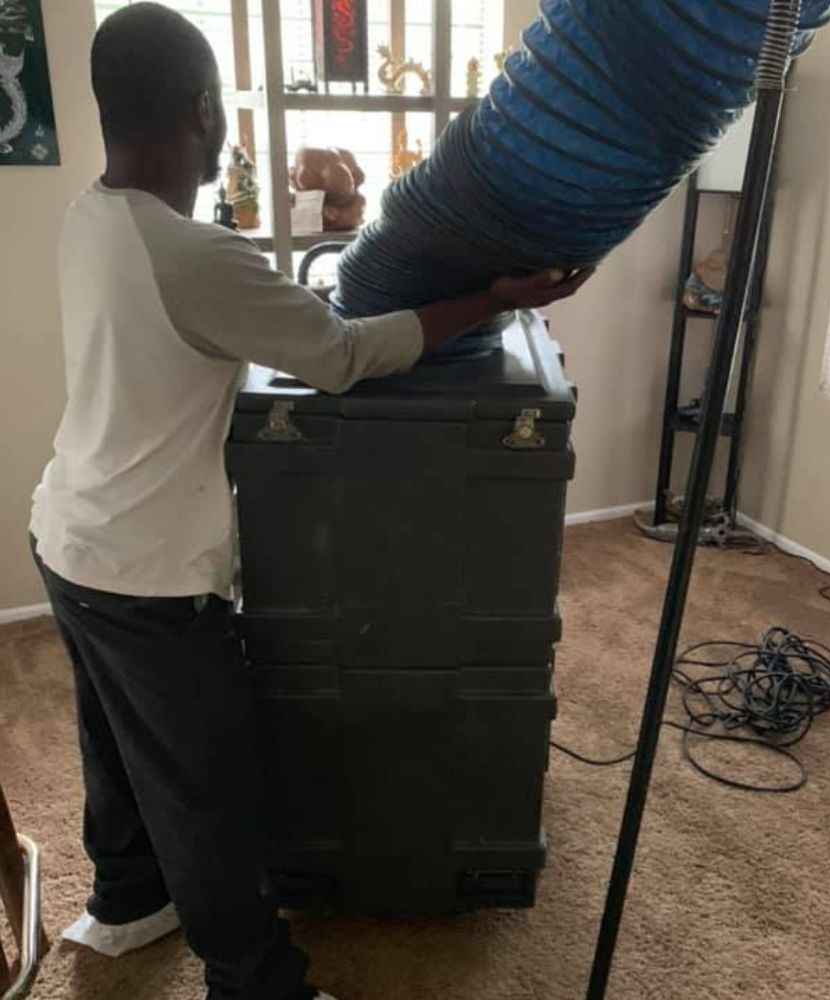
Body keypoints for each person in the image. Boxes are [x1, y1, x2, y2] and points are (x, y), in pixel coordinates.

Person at [28, 4, 594, 999]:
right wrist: (496, 298)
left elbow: (266, 322)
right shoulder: (194, 254)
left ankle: (127, 900)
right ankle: (255, 983)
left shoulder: (92, 214)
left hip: (66, 533)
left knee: (116, 740)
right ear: (205, 111)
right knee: (207, 782)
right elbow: (340, 355)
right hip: (147, 570)